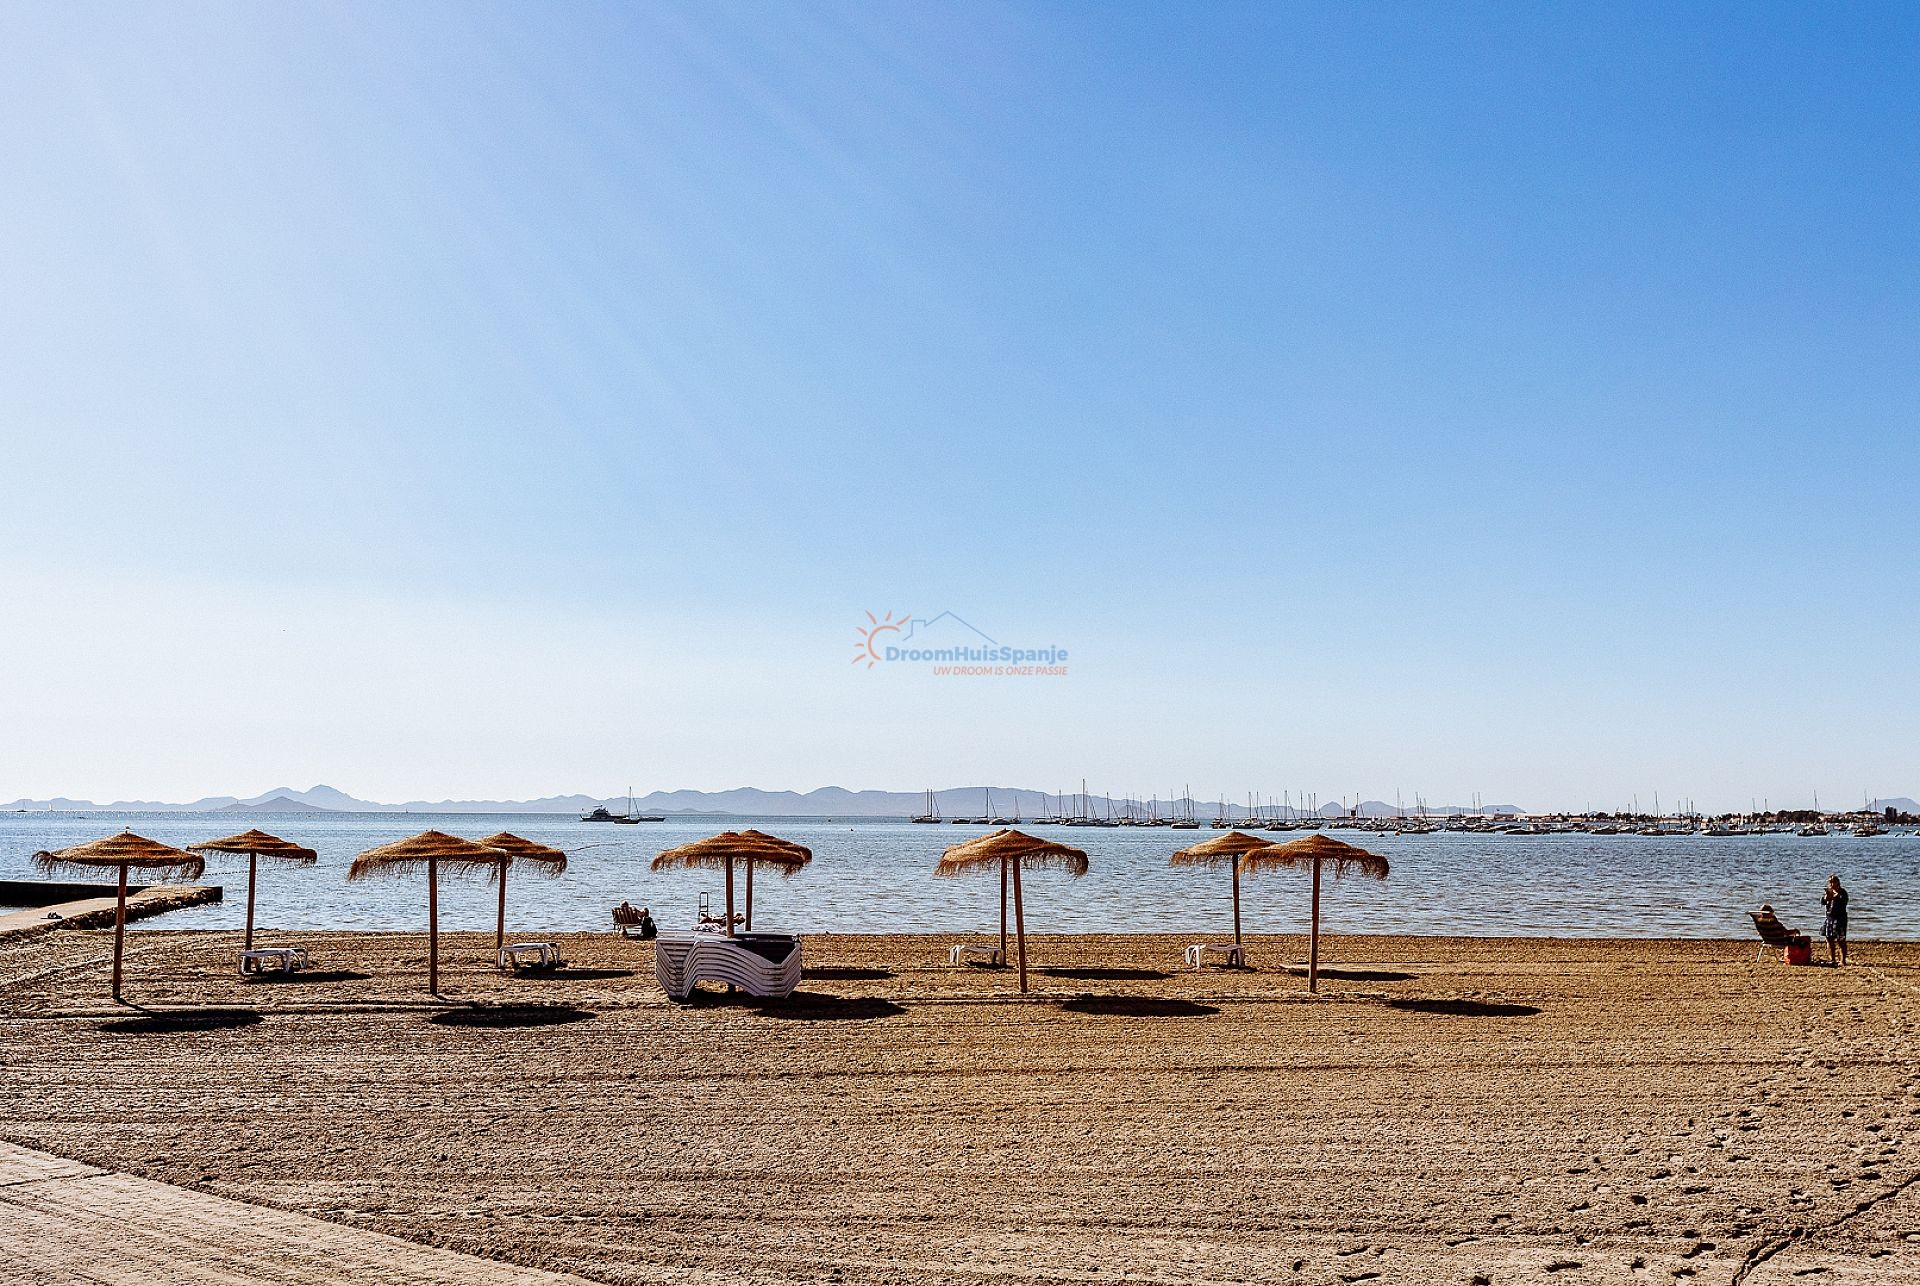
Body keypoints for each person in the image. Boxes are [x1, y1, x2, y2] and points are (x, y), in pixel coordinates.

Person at [1822, 875, 1849, 966]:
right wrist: (1826, 898)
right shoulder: (1829, 892)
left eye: (1834, 882)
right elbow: (1823, 902)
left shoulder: (1842, 892)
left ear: (1838, 883)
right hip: (1829, 918)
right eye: (1830, 883)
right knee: (1829, 938)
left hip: (1840, 918)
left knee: (1840, 940)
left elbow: (1843, 901)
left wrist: (1834, 896)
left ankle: (1843, 960)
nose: (1832, 884)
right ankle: (1832, 959)